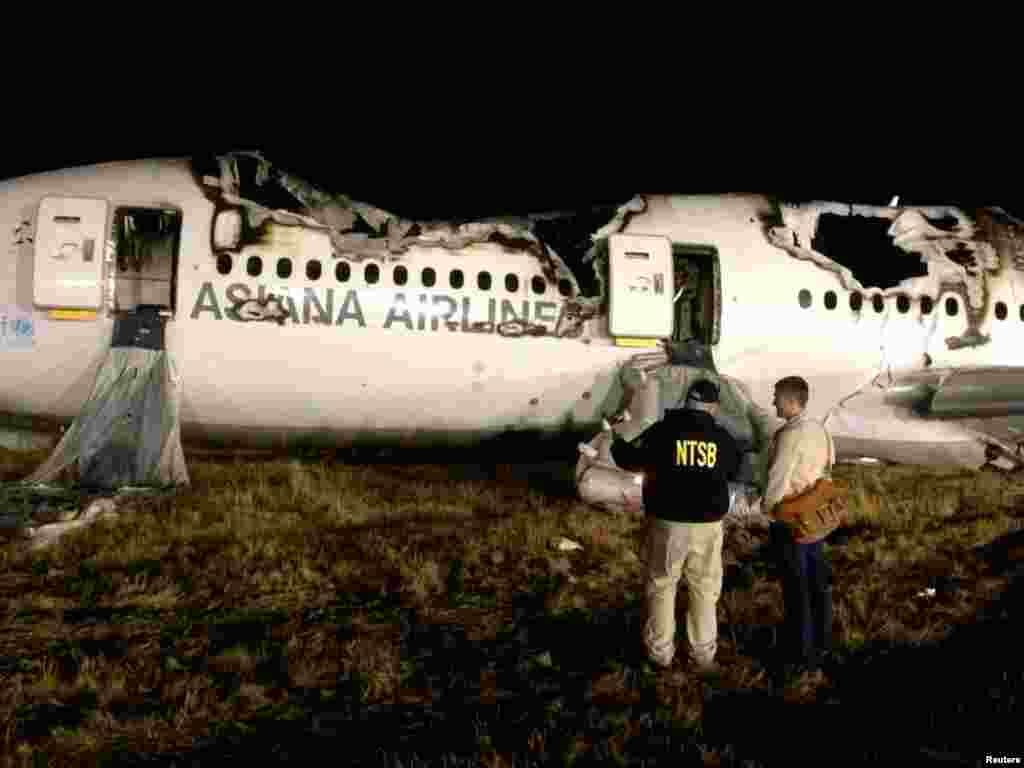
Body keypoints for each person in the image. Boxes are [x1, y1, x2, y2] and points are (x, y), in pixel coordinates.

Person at [610, 379, 741, 675]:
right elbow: (736, 468)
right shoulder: (721, 437)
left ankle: (660, 655)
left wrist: (615, 439)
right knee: (705, 590)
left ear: (686, 401)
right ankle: (703, 655)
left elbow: (630, 460)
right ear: (713, 407)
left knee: (662, 585)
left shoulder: (663, 430)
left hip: (668, 524)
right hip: (708, 525)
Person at [762, 375, 835, 677]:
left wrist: (767, 509)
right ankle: (822, 643)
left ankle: (800, 655)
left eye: (776, 397)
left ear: (791, 400)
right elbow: (830, 466)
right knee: (818, 583)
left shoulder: (788, 435)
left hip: (792, 518)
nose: (773, 402)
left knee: (796, 588)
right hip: (816, 517)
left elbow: (778, 479)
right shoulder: (821, 429)